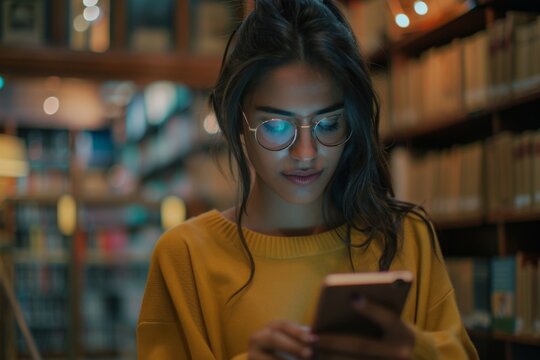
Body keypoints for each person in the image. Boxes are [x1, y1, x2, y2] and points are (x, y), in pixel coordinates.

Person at [137, 0, 479, 359]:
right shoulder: (186, 257)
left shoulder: (405, 236)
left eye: (328, 124)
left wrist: (413, 351)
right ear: (237, 121)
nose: (305, 153)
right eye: (277, 126)